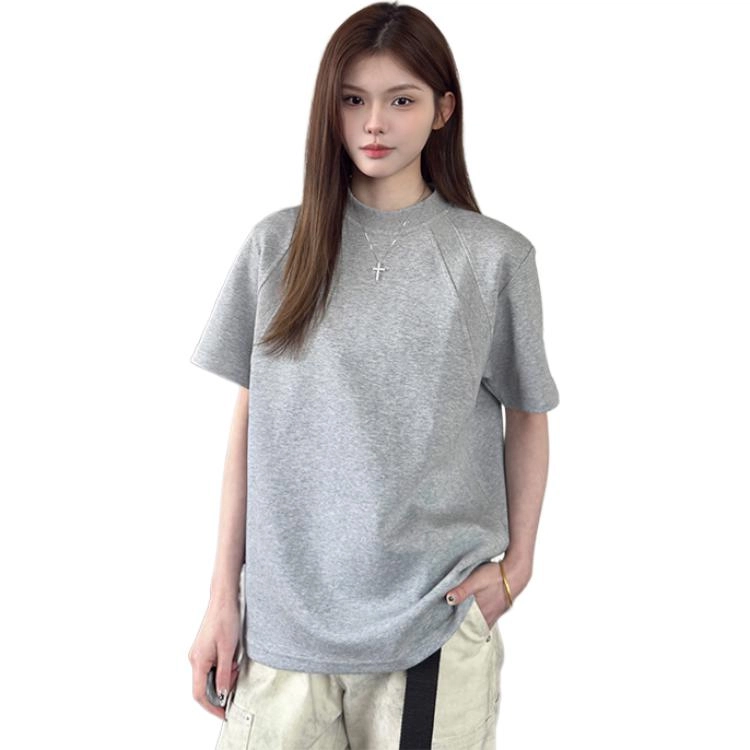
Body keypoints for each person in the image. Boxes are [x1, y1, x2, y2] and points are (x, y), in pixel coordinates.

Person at [187, 2, 559, 748]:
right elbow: (251, 427)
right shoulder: (276, 248)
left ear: (443, 110)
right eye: (353, 100)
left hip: (433, 624)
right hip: (282, 632)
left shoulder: (494, 259)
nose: (374, 123)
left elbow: (528, 415)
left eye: (402, 100)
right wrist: (221, 599)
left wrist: (516, 569)